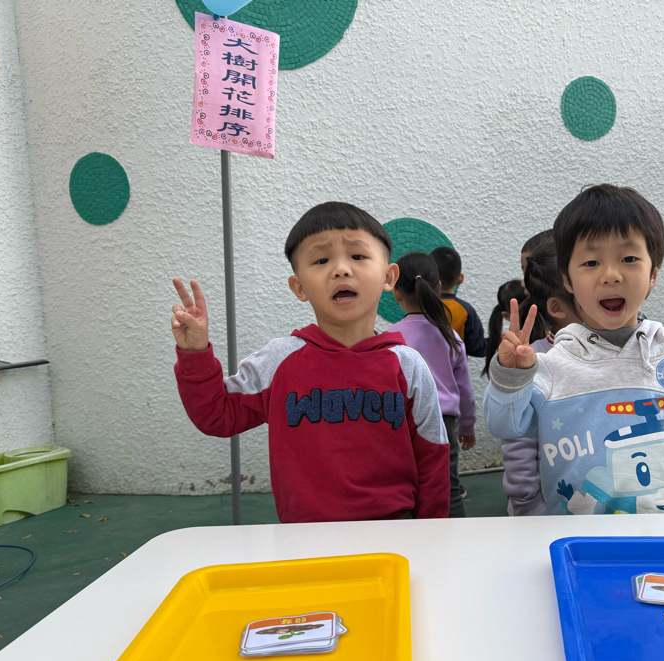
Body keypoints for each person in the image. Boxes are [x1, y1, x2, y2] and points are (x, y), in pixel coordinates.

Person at [171, 201, 450, 523]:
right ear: (299, 287)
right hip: (302, 538)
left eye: (358, 256)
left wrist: (430, 534)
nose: (341, 269)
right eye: (321, 260)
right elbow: (216, 415)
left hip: (395, 534)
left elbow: (433, 457)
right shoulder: (278, 361)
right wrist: (195, 353)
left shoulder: (408, 365)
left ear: (389, 277)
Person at [484, 185, 664, 515]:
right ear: (568, 281)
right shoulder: (548, 368)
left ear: (653, 274)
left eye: (629, 259)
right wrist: (510, 377)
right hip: (581, 542)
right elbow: (503, 425)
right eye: (591, 262)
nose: (611, 275)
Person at [389, 252, 476, 517]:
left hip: (404, 421)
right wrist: (467, 427)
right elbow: (465, 390)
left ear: (396, 293)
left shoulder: (390, 338)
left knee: (406, 483)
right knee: (448, 486)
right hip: (443, 422)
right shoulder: (451, 337)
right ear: (438, 287)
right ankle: (454, 536)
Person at [501, 241, 580, 516]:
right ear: (557, 307)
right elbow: (517, 444)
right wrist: (527, 507)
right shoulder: (532, 359)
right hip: (543, 514)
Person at [431, 246, 487, 357]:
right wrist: (495, 340)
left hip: (421, 367)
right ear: (460, 278)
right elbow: (476, 348)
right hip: (455, 367)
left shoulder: (419, 306)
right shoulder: (465, 310)